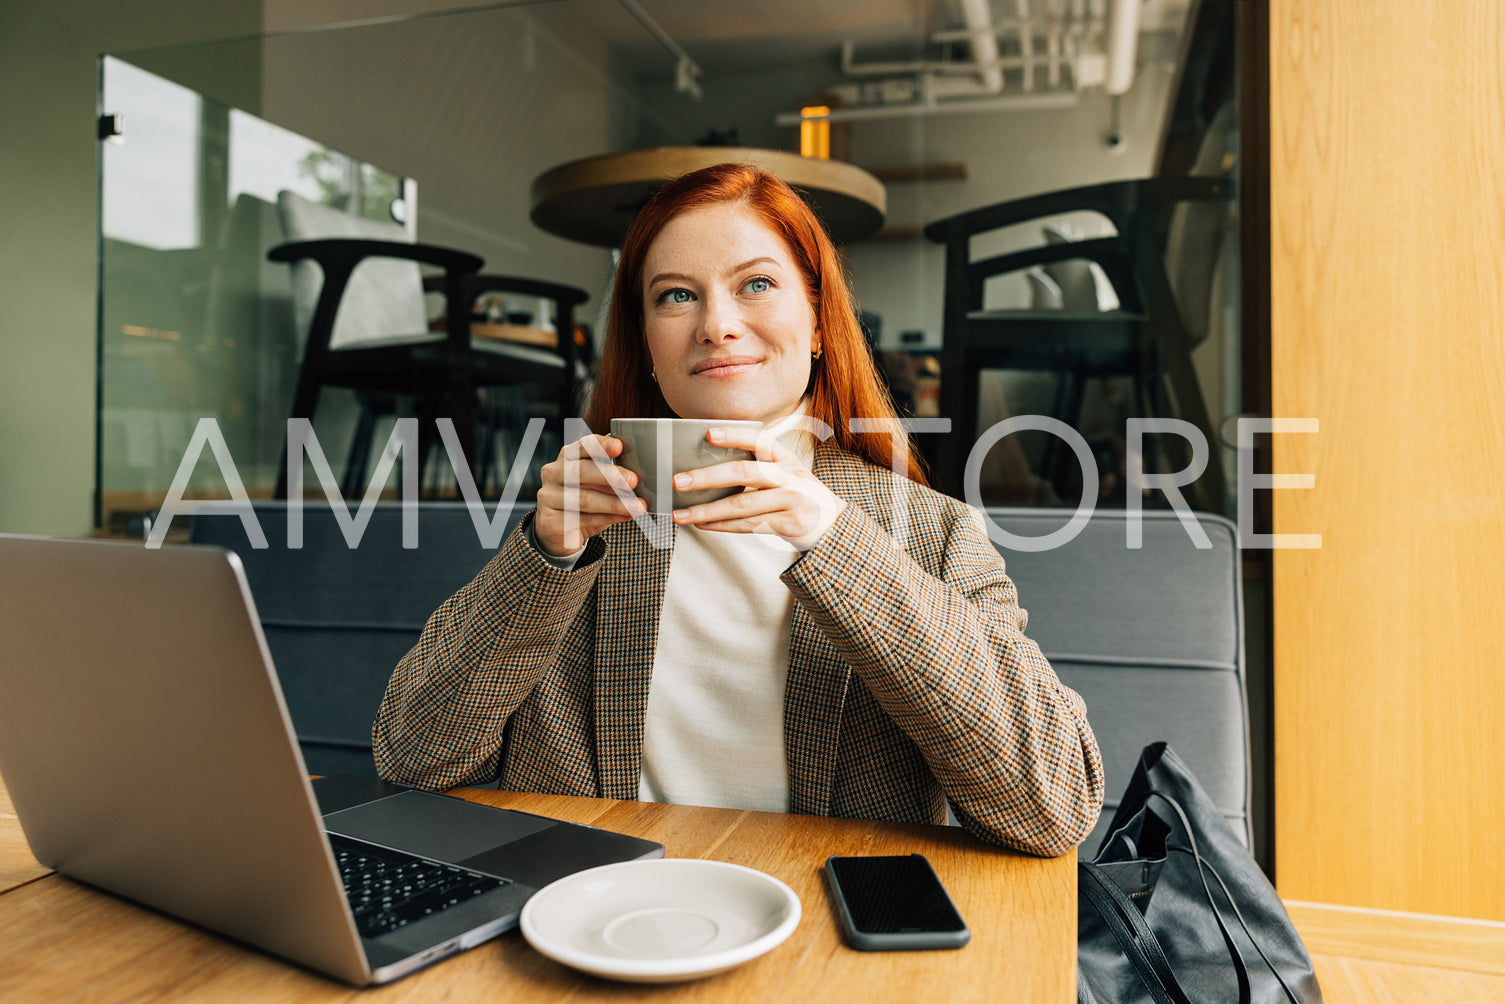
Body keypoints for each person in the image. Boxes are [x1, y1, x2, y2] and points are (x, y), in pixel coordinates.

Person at [373, 164, 1103, 857]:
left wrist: (828, 535)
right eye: (675, 295)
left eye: (755, 283)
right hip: (597, 921)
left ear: (818, 324)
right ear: (648, 346)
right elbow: (412, 759)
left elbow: (1051, 808)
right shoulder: (584, 517)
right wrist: (543, 555)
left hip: (821, 936)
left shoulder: (929, 530)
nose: (716, 324)